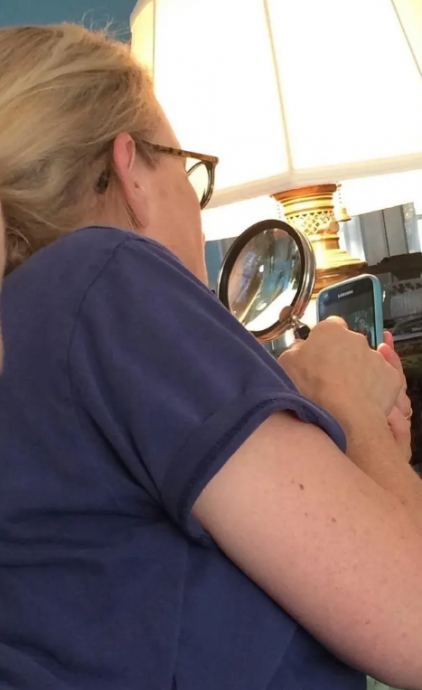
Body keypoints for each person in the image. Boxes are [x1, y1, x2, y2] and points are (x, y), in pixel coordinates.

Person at [0, 23, 419, 690]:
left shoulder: (31, 329)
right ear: (131, 169)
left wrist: (361, 460)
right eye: (192, 171)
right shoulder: (104, 276)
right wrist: (352, 408)